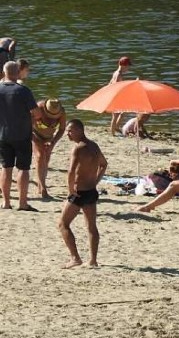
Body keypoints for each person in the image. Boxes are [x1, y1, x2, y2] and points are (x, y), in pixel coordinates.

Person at [58, 119, 108, 268]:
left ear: (80, 130)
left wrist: (70, 190)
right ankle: (93, 260)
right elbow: (104, 164)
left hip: (79, 193)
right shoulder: (94, 146)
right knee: (91, 226)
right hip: (91, 191)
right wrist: (95, 181)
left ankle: (75, 258)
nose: (68, 134)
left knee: (63, 224)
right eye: (67, 130)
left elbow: (71, 171)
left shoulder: (78, 148)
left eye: (71, 130)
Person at [0, 61, 40, 211]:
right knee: (23, 168)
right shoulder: (23, 90)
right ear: (18, 72)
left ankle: (6, 202)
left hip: (3, 134)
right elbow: (37, 113)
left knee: (6, 167)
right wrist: (31, 119)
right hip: (22, 134)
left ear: (4, 73)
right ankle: (22, 203)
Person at [32, 98, 67, 198]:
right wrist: (35, 140)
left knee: (46, 158)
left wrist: (53, 142)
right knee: (39, 157)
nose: (52, 117)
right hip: (35, 134)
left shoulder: (61, 112)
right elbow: (27, 126)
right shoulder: (38, 108)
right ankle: (43, 188)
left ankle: (40, 184)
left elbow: (62, 129)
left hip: (50, 137)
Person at [109, 56, 132, 136]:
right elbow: (115, 85)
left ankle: (116, 127)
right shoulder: (118, 74)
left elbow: (110, 83)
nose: (128, 68)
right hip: (116, 97)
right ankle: (112, 133)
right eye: (127, 66)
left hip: (117, 96)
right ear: (123, 65)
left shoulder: (116, 73)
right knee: (115, 115)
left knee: (123, 112)